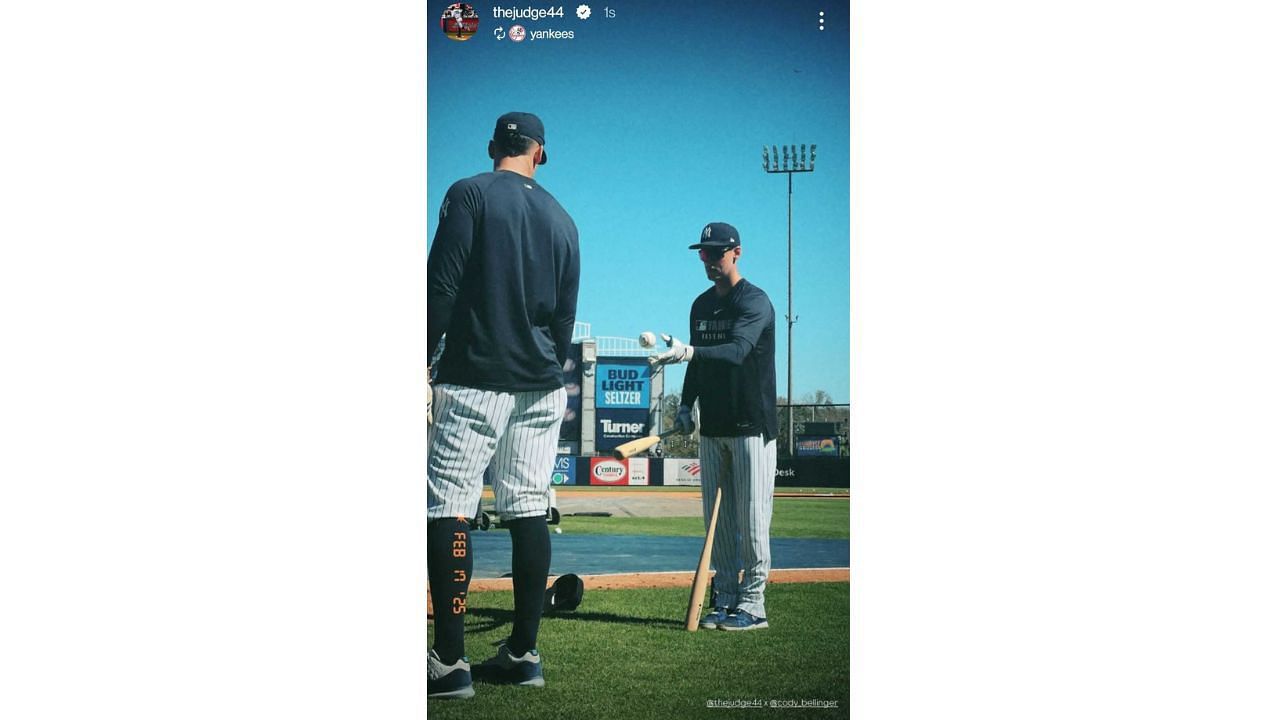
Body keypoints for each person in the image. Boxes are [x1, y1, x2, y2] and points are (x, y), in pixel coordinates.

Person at [427, 112, 580, 699]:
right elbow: (564, 318)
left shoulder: (469, 192)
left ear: (494, 146)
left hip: (474, 375)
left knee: (451, 507)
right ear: (542, 154)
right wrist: (543, 365)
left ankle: (450, 662)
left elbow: (442, 285)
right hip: (542, 382)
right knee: (527, 508)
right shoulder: (564, 218)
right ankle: (523, 653)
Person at [649, 222, 777, 631]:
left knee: (752, 519)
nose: (709, 260)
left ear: (737, 252)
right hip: (714, 427)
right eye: (703, 253)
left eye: (717, 252)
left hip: (751, 425)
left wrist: (689, 352)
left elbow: (738, 351)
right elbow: (698, 364)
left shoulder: (754, 301)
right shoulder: (700, 305)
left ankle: (753, 604)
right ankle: (724, 599)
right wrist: (686, 406)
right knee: (717, 523)